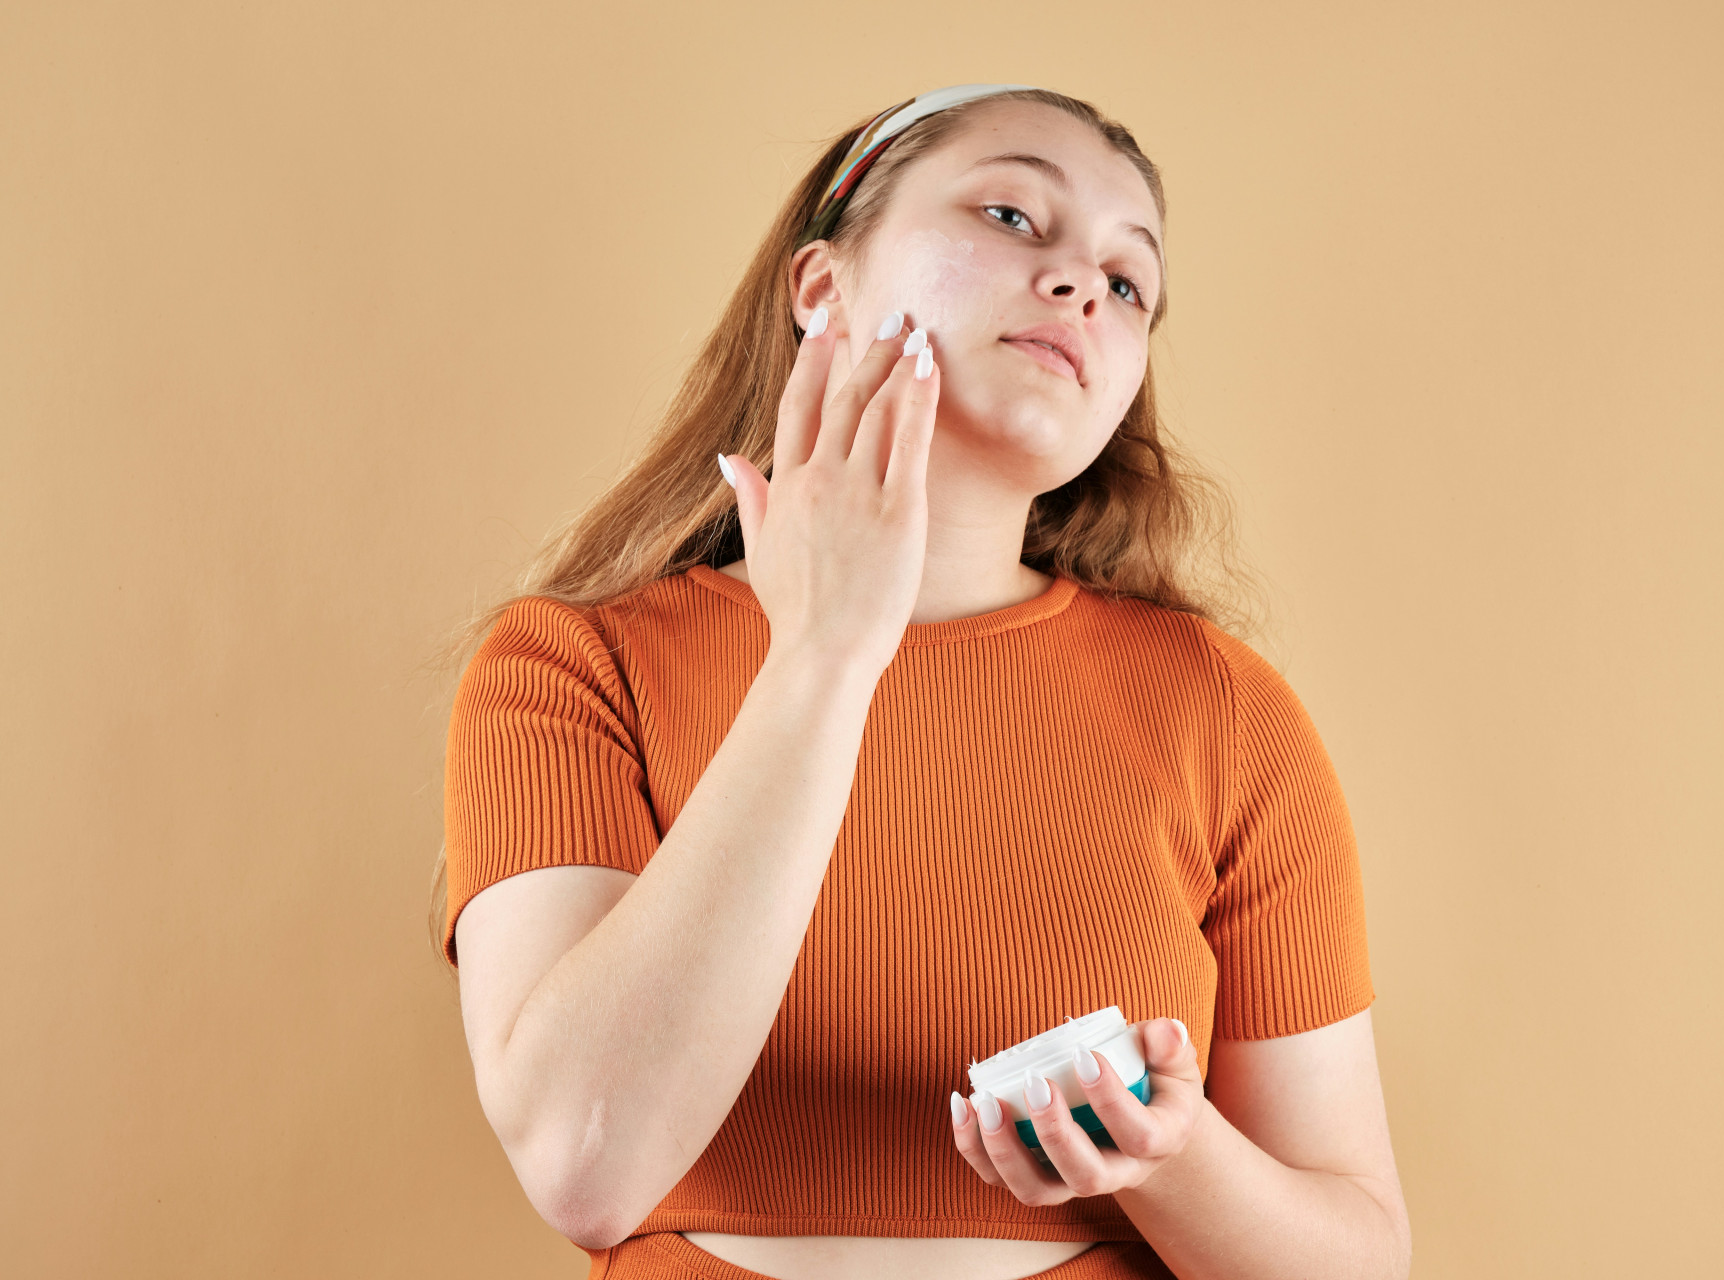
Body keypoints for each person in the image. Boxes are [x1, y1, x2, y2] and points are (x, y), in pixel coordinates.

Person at [432, 84, 1412, 1280]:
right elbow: (582, 1162)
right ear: (823, 286)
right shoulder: (573, 667)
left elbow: (1356, 1260)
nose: (1080, 285)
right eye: (1012, 215)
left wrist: (1167, 1151)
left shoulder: (1226, 709)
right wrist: (824, 654)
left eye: (1128, 282)